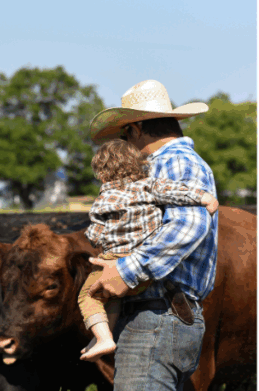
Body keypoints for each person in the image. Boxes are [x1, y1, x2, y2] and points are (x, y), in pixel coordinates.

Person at [85, 79, 218, 391]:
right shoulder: (170, 165)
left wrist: (126, 271)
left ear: (138, 128)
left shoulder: (173, 161)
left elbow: (189, 225)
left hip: (156, 316)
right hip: (165, 315)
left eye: (125, 135)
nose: (126, 145)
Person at [77, 140, 217, 362]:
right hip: (144, 265)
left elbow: (96, 232)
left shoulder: (102, 198)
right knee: (112, 295)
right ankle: (105, 338)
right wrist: (203, 197)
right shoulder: (149, 185)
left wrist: (96, 239)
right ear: (138, 165)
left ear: (102, 175)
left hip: (118, 264)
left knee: (91, 295)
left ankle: (102, 336)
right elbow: (175, 191)